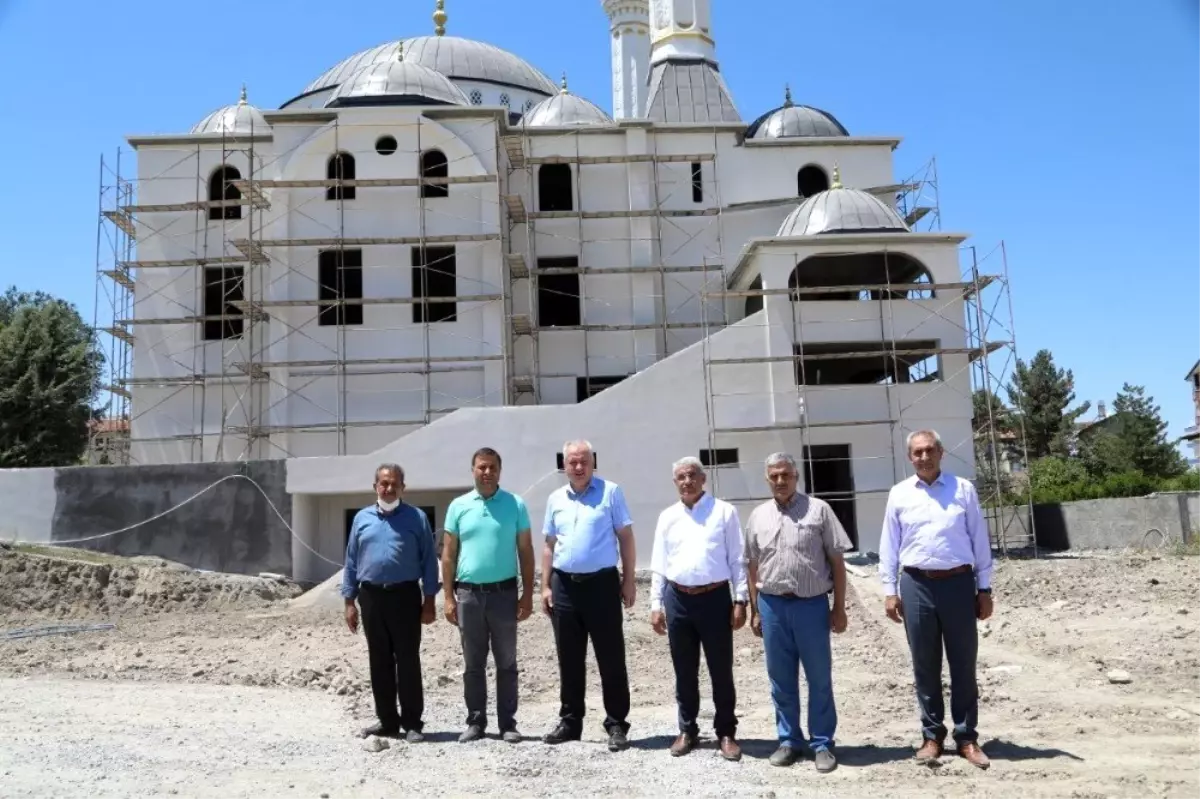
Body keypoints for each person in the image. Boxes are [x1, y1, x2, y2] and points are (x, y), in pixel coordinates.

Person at [879, 429, 994, 770]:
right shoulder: (899, 494)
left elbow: (979, 541)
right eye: (918, 452)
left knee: (963, 663)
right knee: (925, 665)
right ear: (909, 457)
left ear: (941, 452)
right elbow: (889, 545)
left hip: (958, 584)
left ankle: (967, 737)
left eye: (930, 450)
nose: (924, 457)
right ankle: (932, 736)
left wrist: (984, 588)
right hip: (916, 585)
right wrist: (889, 590)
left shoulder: (963, 490)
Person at [745, 452, 851, 774]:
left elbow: (837, 562)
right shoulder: (757, 516)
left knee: (819, 677)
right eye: (774, 475)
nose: (780, 481)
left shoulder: (819, 511)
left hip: (811, 606)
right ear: (767, 479)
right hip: (772, 606)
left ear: (796, 476)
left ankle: (822, 743)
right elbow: (752, 566)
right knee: (780, 679)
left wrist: (839, 608)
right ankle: (789, 740)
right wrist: (755, 610)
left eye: (786, 475)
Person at [649, 456, 748, 761]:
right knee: (684, 670)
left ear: (703, 479)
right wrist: (655, 603)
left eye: (692, 475)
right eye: (680, 476)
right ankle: (687, 729)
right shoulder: (667, 517)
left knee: (720, 669)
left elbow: (737, 559)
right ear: (675, 482)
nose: (687, 481)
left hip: (715, 598)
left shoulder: (724, 512)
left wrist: (740, 599)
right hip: (677, 599)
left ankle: (726, 732)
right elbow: (659, 563)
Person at [540, 439, 637, 752]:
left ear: (593, 461)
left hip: (602, 586)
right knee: (568, 657)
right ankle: (570, 721)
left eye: (583, 461)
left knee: (610, 657)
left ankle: (617, 723)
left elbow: (626, 537)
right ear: (564, 465)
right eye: (572, 462)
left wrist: (629, 580)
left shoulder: (611, 492)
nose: (578, 467)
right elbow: (548, 544)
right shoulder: (555, 498)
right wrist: (544, 585)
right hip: (564, 586)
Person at [441, 447, 535, 744]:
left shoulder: (515, 504)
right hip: (468, 596)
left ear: (499, 470)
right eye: (482, 467)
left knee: (506, 662)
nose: (487, 472)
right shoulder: (458, 506)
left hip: (504, 594)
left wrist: (527, 595)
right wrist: (447, 597)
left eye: (492, 467)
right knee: (473, 663)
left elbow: (526, 551)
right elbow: (448, 554)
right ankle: (476, 722)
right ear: (473, 470)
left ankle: (508, 723)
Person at [342, 463, 439, 742]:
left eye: (394, 483)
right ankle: (387, 721)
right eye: (383, 483)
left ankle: (411, 723)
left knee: (408, 660)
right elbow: (351, 561)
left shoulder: (417, 518)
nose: (388, 488)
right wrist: (349, 601)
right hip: (371, 597)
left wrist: (429, 599)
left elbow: (428, 562)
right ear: (375, 487)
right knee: (379, 660)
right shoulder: (361, 519)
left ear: (402, 487)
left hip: (405, 596)